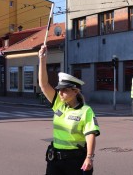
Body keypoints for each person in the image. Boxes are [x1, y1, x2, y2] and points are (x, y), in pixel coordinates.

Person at [38, 45, 100, 175]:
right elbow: (43, 85)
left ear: (75, 91)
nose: (60, 93)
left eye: (64, 90)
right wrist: (42, 60)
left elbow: (90, 135)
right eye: (59, 89)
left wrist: (89, 157)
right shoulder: (59, 104)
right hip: (55, 160)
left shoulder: (85, 111)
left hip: (75, 161)